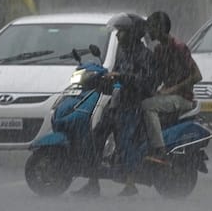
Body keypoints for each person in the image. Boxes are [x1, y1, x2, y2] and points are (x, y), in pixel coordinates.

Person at [73, 13, 156, 197]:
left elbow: (146, 83)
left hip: (133, 106)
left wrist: (121, 78)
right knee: (96, 138)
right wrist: (100, 82)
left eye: (122, 33)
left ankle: (130, 183)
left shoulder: (144, 56)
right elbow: (115, 82)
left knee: (126, 143)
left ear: (133, 34)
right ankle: (93, 182)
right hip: (116, 104)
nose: (118, 36)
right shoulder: (123, 54)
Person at [142, 11, 202, 164]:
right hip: (167, 97)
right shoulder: (158, 50)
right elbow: (157, 76)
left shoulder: (179, 47)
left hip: (183, 98)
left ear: (161, 28)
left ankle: (160, 150)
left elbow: (197, 76)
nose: (149, 32)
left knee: (148, 106)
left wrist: (172, 89)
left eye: (152, 28)